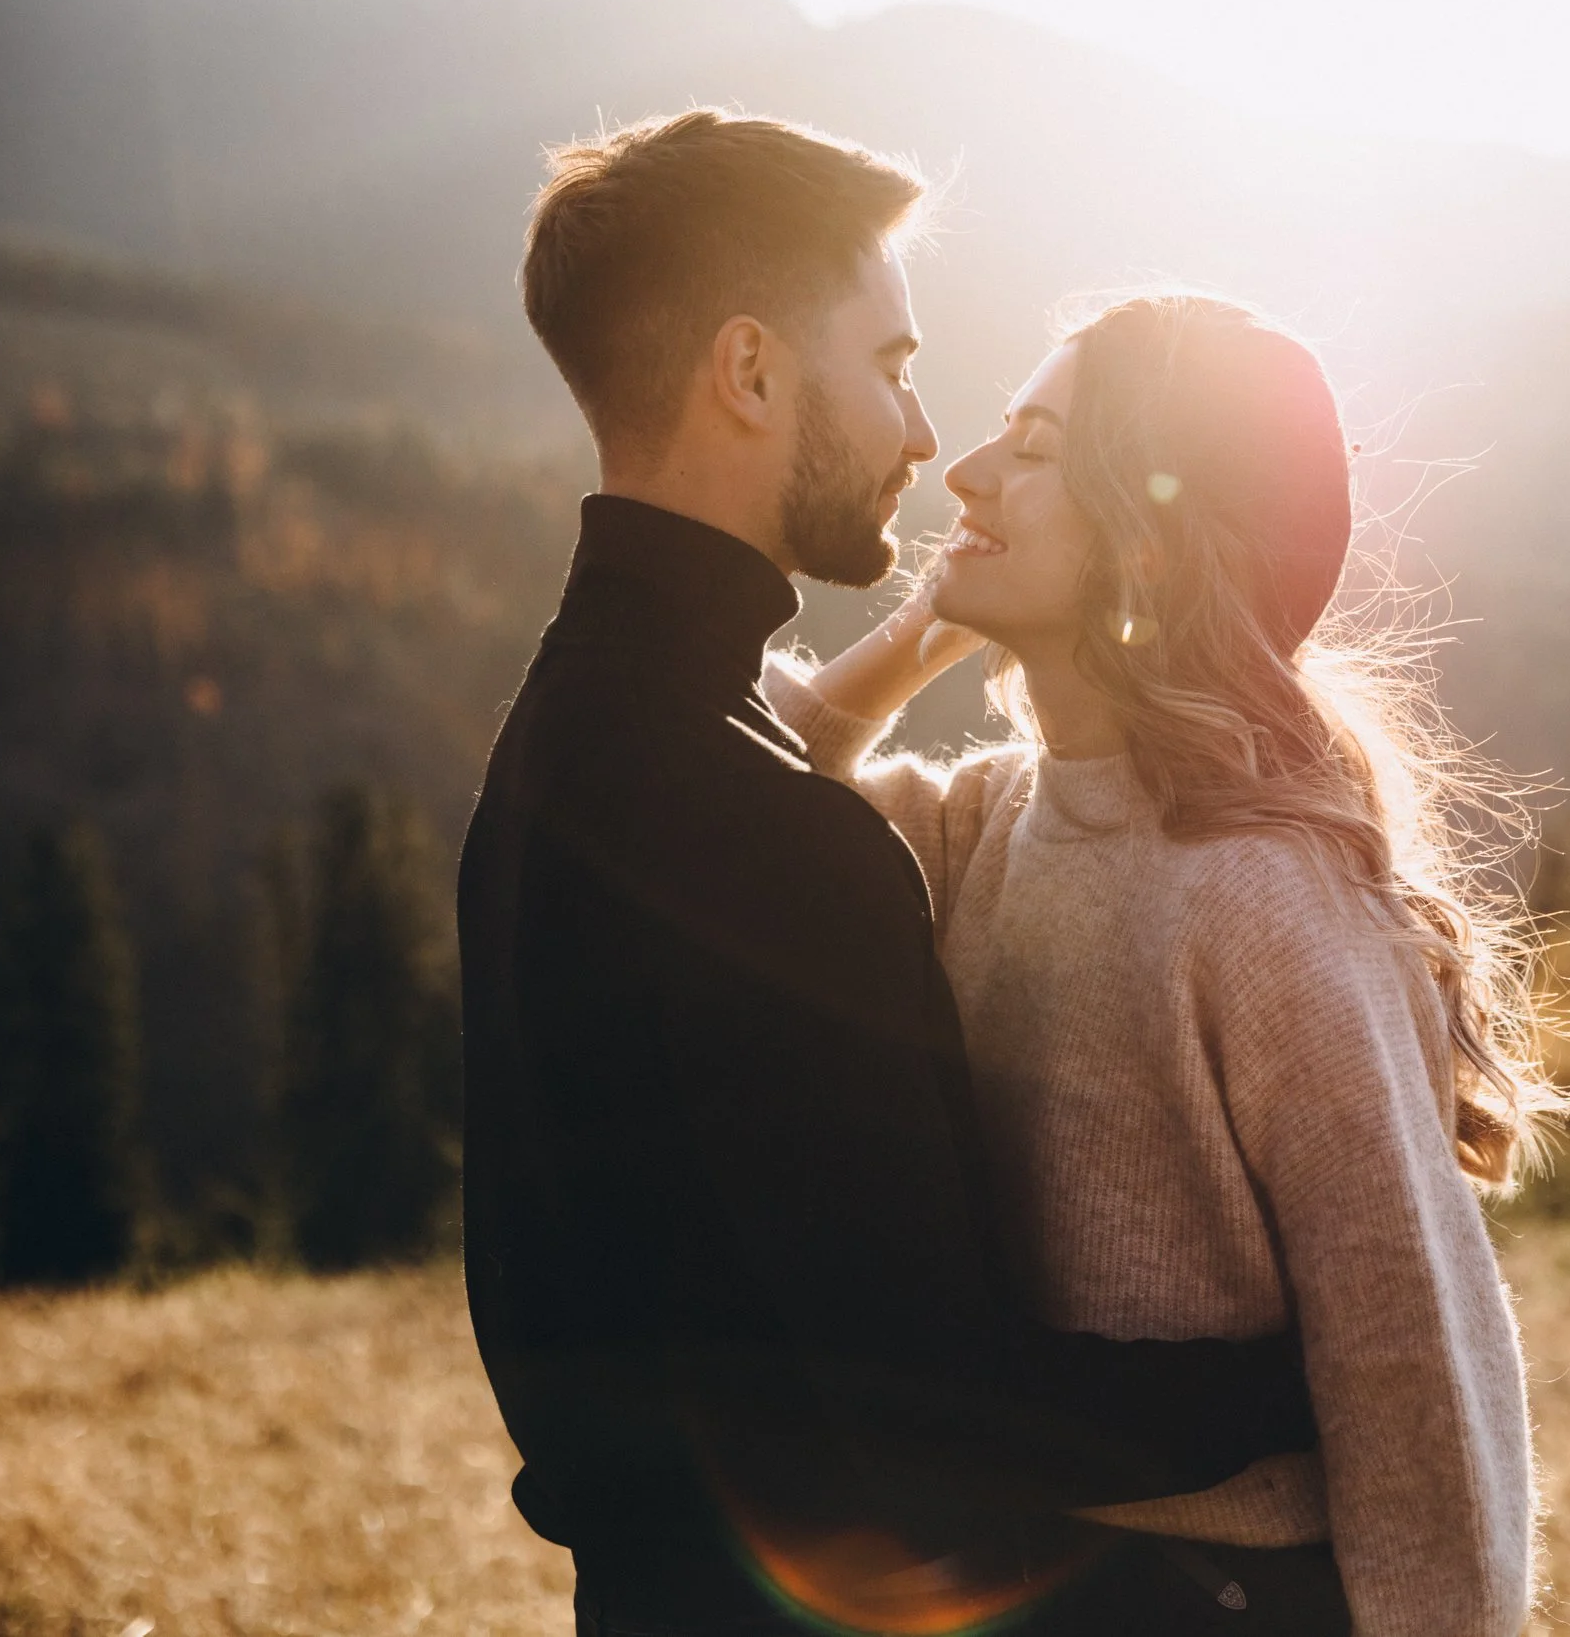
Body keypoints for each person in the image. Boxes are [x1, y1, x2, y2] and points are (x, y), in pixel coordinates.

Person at [458, 113, 1320, 1637]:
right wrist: (1301, 1370)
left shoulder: (560, 746)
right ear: (750, 372)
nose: (926, 440)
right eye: (895, 367)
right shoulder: (769, 836)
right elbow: (944, 1414)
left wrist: (923, 632)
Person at [764, 294, 1570, 1637]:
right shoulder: (993, 821)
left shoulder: (1263, 897)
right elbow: (754, 780)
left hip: (1219, 1601)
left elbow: (1411, 1355)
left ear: (1147, 537)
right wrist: (931, 625)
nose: (963, 471)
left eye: (1029, 449)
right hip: (1034, 1574)